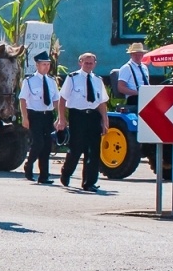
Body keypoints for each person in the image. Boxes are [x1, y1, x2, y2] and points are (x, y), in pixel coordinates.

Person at [57, 51, 110, 192]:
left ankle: (89, 182)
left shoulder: (98, 80)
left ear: (95, 64)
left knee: (93, 151)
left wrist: (105, 120)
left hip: (93, 116)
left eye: (91, 63)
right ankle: (66, 172)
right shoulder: (72, 78)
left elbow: (101, 102)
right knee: (76, 148)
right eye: (86, 63)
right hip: (77, 116)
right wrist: (61, 118)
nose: (88, 65)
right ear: (80, 63)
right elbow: (62, 99)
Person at [20, 51, 59, 184]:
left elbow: (56, 100)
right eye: (43, 64)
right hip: (34, 115)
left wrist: (59, 117)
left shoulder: (52, 81)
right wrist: (25, 117)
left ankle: (44, 176)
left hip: (47, 116)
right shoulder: (29, 81)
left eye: (48, 64)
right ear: (37, 65)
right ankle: (29, 164)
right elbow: (23, 100)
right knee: (38, 143)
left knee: (47, 145)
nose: (46, 67)